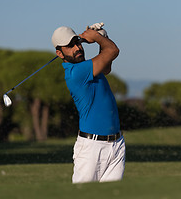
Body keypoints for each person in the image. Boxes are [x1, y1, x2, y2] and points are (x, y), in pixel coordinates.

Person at [51, 23, 126, 183]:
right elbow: (113, 51)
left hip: (116, 144)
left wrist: (101, 37)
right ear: (59, 53)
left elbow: (106, 67)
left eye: (77, 42)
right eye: (69, 46)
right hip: (92, 148)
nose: (77, 48)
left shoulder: (88, 67)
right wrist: (97, 37)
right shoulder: (76, 73)